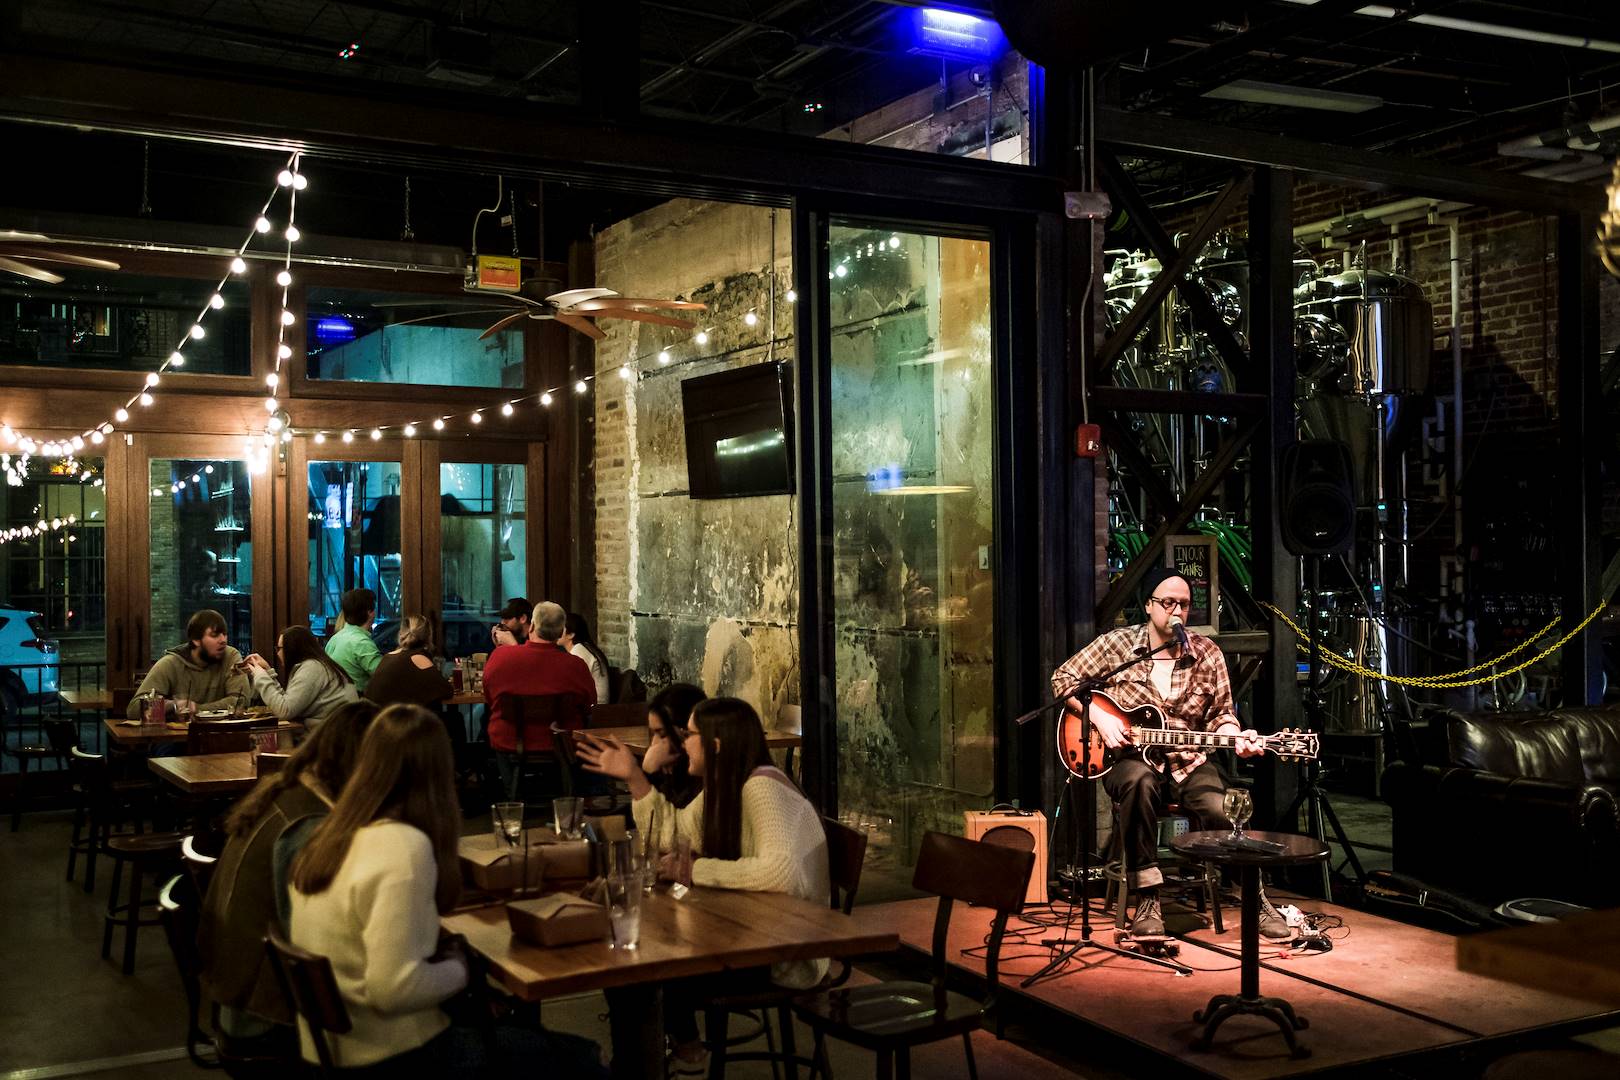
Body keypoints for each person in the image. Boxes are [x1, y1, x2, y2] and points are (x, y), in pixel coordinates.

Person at [288, 704, 604, 1075]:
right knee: (582, 1058)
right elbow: (394, 989)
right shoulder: (400, 844)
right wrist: (461, 969)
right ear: (438, 773)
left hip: (336, 1048)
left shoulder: (329, 834)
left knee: (516, 1028)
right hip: (395, 1056)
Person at [578, 697, 828, 1073]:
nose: (681, 745)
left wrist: (693, 870)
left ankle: (658, 1057)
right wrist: (635, 778)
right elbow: (672, 835)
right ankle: (660, 1055)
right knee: (628, 958)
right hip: (752, 930)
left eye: (688, 735)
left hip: (788, 952)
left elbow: (781, 874)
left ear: (716, 743)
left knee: (640, 966)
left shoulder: (762, 787)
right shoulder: (724, 785)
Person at [1050, 566, 1284, 942]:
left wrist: (1236, 737)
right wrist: (1097, 716)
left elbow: (1223, 715)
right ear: (1149, 605)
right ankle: (1147, 898)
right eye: (1168, 602)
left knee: (1220, 805)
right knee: (1139, 784)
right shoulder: (1117, 645)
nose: (1177, 611)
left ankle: (1255, 898)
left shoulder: (1207, 653)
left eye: (1185, 605)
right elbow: (1063, 679)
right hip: (1127, 759)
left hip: (1187, 761)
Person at [198, 701, 380, 1049]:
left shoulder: (286, 793)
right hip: (266, 1019)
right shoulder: (308, 827)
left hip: (235, 996)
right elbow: (322, 947)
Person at [480, 601, 595, 798]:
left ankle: (511, 795)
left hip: (510, 740)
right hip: (562, 744)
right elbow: (589, 704)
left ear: (532, 626)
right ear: (560, 633)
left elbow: (491, 699)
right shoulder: (576, 665)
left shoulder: (500, 657)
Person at [127, 609, 250, 719]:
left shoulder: (231, 657)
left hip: (221, 734)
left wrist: (197, 708)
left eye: (225, 634)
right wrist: (172, 705)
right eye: (215, 635)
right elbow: (134, 709)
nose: (223, 640)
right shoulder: (171, 663)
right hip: (176, 738)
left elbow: (240, 701)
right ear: (196, 640)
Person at [244, 625, 360, 726]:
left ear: (292, 649)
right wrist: (268, 671)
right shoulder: (316, 665)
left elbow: (284, 711)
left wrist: (261, 676)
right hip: (335, 730)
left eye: (279, 648)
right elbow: (290, 703)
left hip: (335, 737)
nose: (277, 652)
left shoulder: (312, 668)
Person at [366, 614, 454, 711]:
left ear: (401, 633)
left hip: (375, 719)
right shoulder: (417, 657)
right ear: (428, 636)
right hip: (393, 722)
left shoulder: (389, 656)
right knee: (453, 717)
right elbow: (446, 690)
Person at [642, 682, 705, 808]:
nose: (654, 744)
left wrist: (648, 776)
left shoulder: (705, 779)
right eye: (653, 734)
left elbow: (667, 824)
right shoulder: (675, 770)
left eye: (662, 734)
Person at [325, 588, 382, 693]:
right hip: (358, 703)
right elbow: (384, 675)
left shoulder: (334, 639)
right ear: (370, 612)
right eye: (374, 608)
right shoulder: (362, 643)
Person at [561, 613, 611, 705]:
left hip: (596, 710)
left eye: (560, 628)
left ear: (571, 634)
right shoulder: (583, 647)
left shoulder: (579, 651)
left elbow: (570, 686)